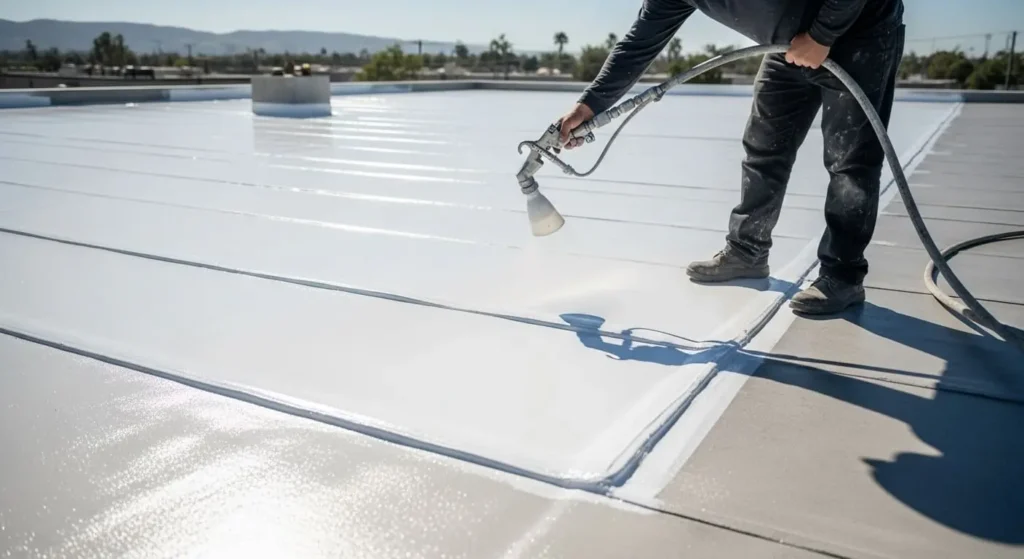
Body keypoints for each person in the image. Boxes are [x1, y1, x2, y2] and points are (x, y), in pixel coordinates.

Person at [558, 0, 905, 315]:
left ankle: (842, 275)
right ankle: (747, 251)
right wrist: (588, 106)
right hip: (789, 45)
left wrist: (822, 35)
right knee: (763, 145)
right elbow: (638, 45)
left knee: (850, 160)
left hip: (861, 32)